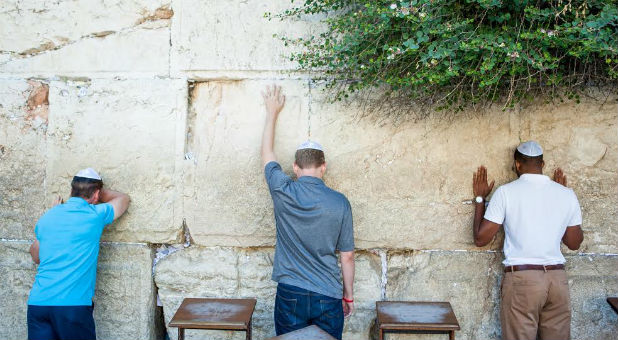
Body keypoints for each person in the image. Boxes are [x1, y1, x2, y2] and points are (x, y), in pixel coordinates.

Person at [260, 85, 355, 340]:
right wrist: (348, 295)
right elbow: (347, 256)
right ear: (323, 167)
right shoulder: (340, 203)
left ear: (295, 167)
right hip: (328, 293)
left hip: (290, 292)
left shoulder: (283, 189)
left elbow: (267, 156)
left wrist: (272, 113)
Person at [471, 141, 584, 340]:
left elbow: (481, 239)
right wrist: (561, 209)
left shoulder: (506, 192)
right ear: (543, 164)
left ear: (517, 165)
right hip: (557, 280)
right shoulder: (566, 194)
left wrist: (480, 199)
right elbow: (574, 243)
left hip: (523, 280)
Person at [27, 168, 130, 340]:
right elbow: (123, 199)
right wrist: (96, 191)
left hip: (38, 303)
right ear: (96, 195)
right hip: (72, 305)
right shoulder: (95, 215)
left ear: (71, 191)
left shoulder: (48, 216)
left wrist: (55, 213)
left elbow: (36, 256)